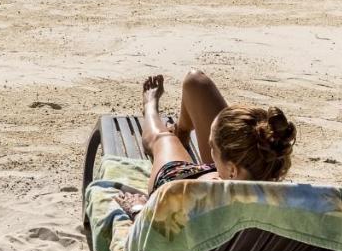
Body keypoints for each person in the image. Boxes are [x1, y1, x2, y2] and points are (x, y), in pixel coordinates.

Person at [126, 71, 296, 209]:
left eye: (212, 147)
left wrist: (138, 208)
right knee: (196, 83)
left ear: (232, 169)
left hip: (182, 180)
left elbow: (152, 232)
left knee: (161, 139)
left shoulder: (187, 198)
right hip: (236, 179)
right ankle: (182, 131)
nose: (209, 149)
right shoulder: (293, 203)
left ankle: (150, 106)